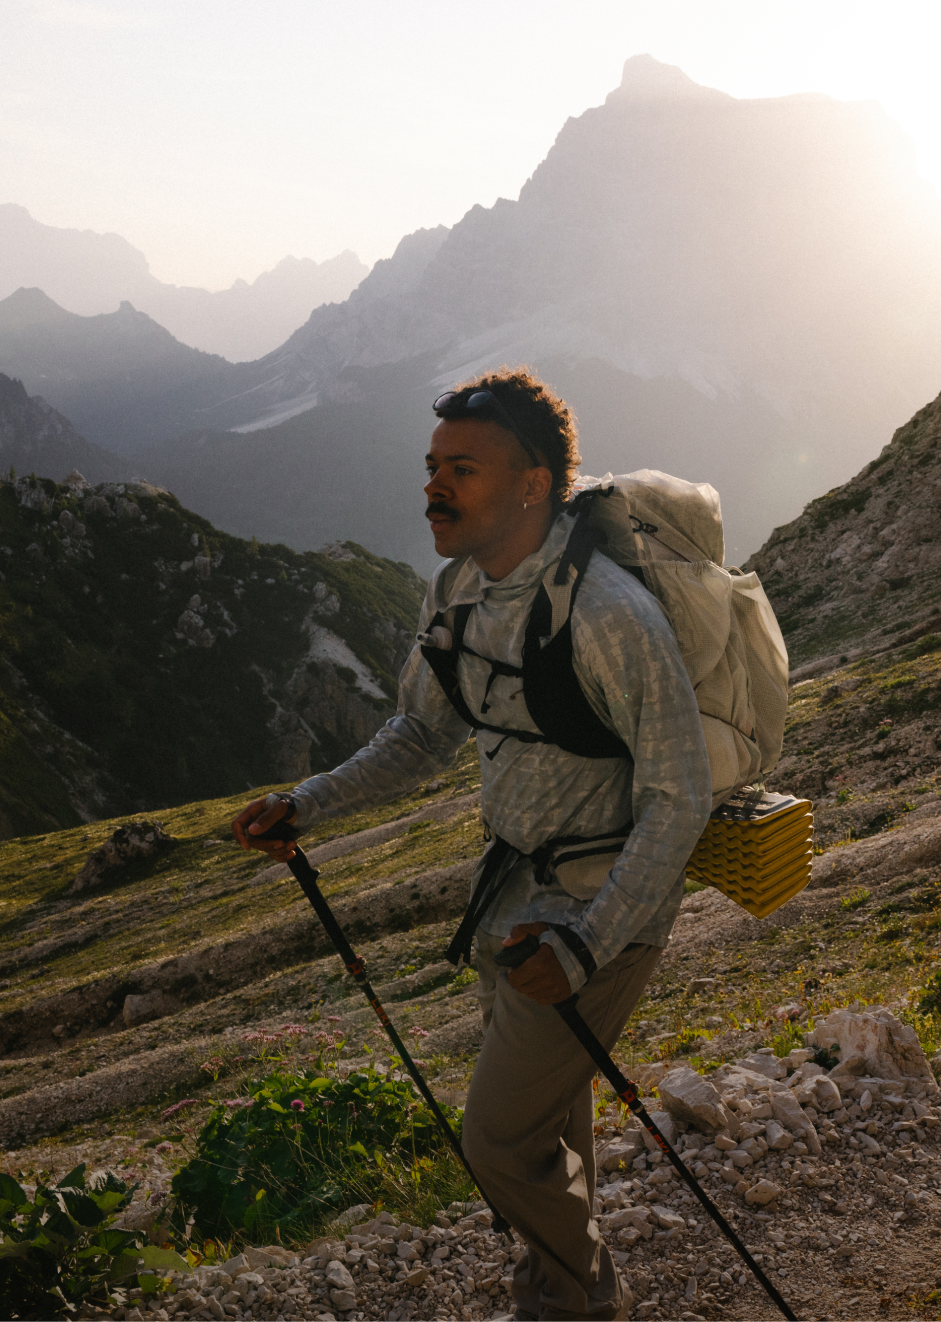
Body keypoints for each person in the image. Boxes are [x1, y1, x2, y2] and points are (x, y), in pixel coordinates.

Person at [233, 367, 712, 1322]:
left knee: (496, 1143)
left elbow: (677, 793)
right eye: (430, 466)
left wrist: (587, 940)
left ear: (532, 484)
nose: (433, 488)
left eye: (463, 469)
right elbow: (418, 733)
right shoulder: (456, 592)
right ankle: (558, 1298)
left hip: (593, 915)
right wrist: (306, 804)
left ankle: (581, 1306)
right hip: (509, 908)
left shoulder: (610, 617)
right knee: (546, 1131)